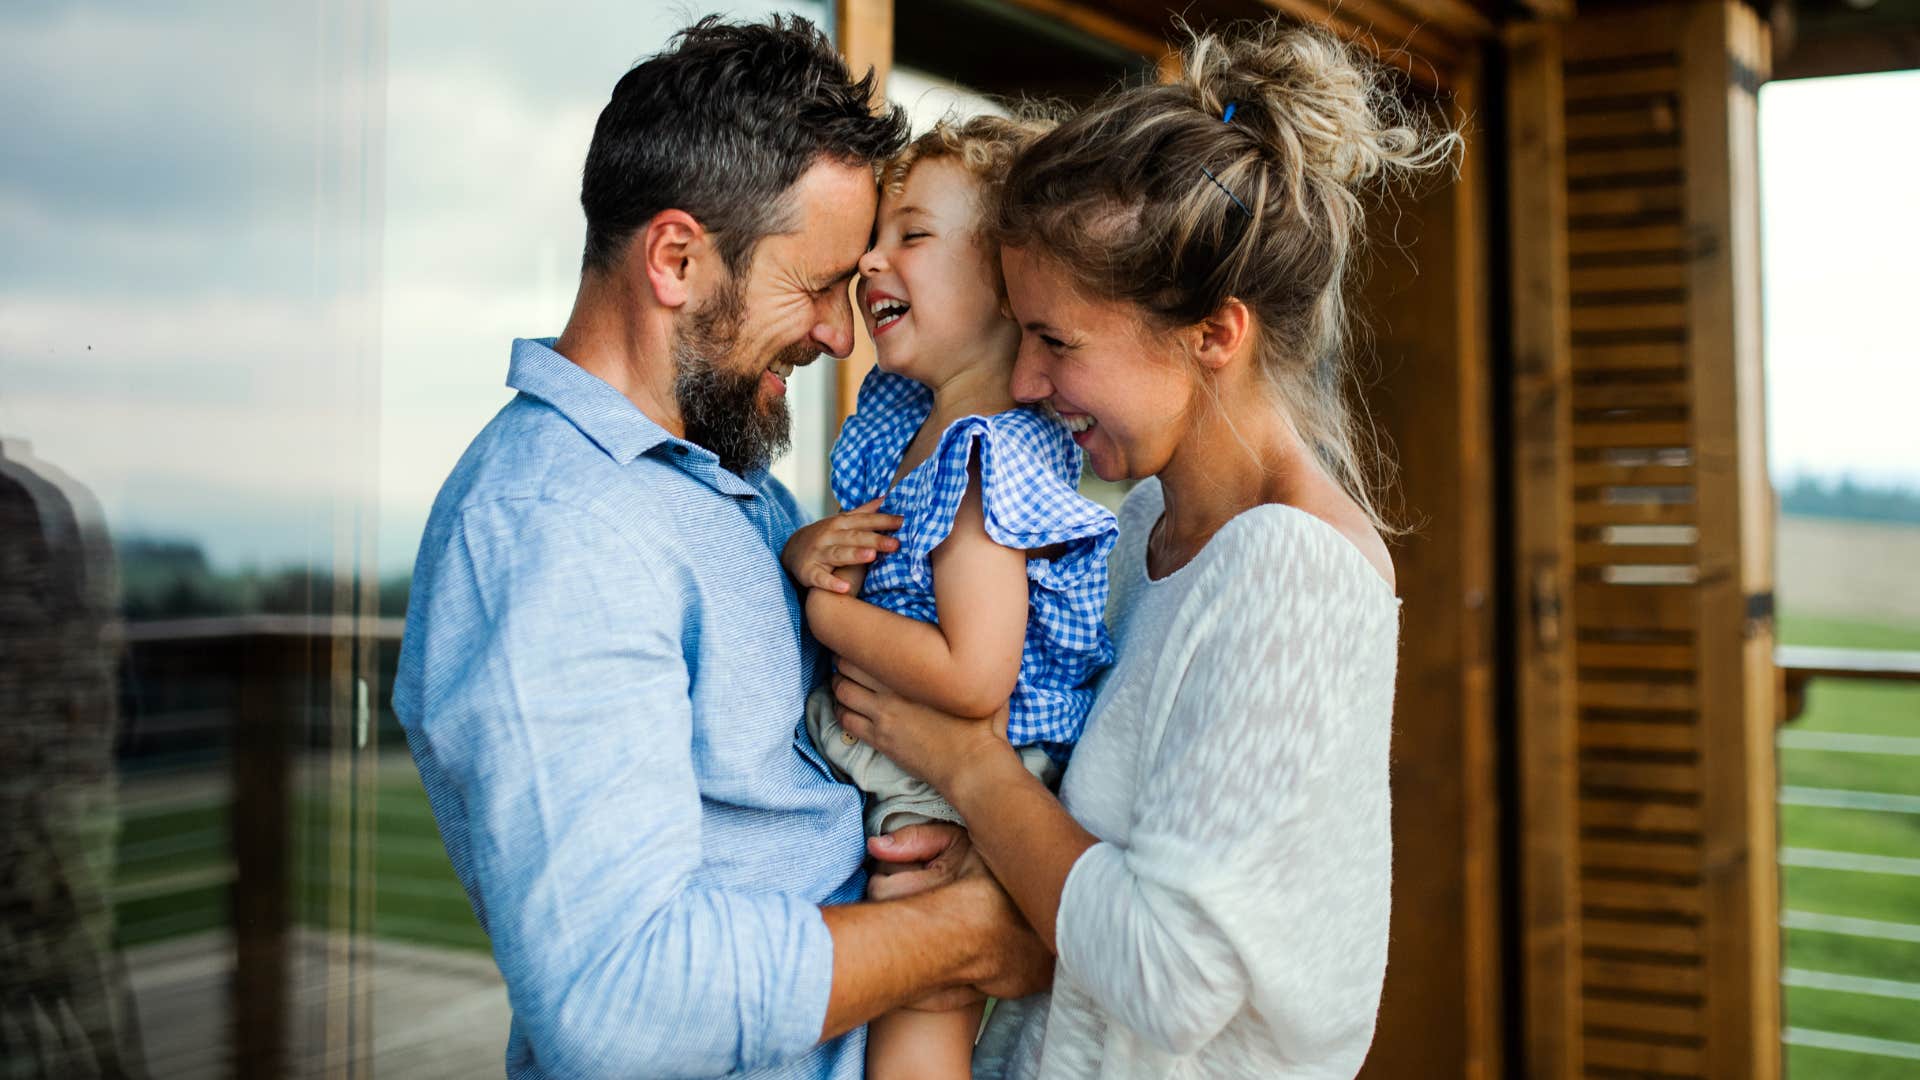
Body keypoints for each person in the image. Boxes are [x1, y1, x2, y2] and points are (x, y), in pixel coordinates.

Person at [391, 17, 1050, 1079]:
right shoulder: (556, 531)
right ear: (677, 259)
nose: (841, 334)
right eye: (817, 284)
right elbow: (618, 995)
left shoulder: (732, 490)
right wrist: (972, 932)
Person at [829, 22, 1458, 1077]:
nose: (1025, 384)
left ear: (1215, 333)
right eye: (1020, 334)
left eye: (1057, 341)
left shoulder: (1292, 574)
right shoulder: (1130, 539)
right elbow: (1080, 859)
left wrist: (969, 769)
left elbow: (1172, 978)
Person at [782, 116, 1118, 1080]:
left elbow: (976, 675)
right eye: (874, 238)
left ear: (1009, 284)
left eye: (911, 236)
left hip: (956, 774)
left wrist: (824, 614)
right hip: (905, 744)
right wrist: (810, 548)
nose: (870, 261)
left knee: (922, 989)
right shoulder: (909, 427)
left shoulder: (985, 457)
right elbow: (868, 546)